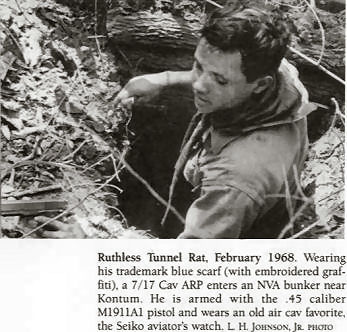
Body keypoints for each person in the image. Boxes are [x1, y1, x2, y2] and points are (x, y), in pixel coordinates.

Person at [36, 4, 314, 238]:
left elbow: (185, 265)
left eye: (219, 80)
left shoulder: (237, 179)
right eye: (198, 66)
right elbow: (215, 75)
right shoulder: (281, 75)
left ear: (260, 85)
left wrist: (92, 240)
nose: (199, 86)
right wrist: (165, 78)